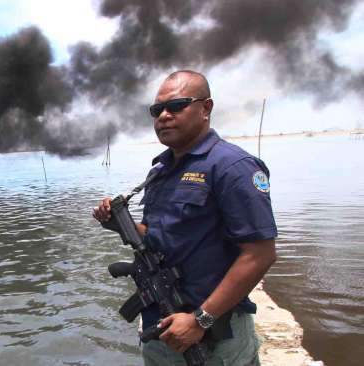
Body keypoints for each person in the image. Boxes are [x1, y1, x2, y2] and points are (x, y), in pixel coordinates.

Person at [93, 70, 277, 365]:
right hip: (162, 327)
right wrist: (117, 223)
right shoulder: (161, 170)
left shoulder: (233, 166)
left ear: (206, 108)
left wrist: (200, 320)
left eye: (176, 106)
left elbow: (260, 254)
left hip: (214, 335)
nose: (164, 115)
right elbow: (156, 236)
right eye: (157, 110)